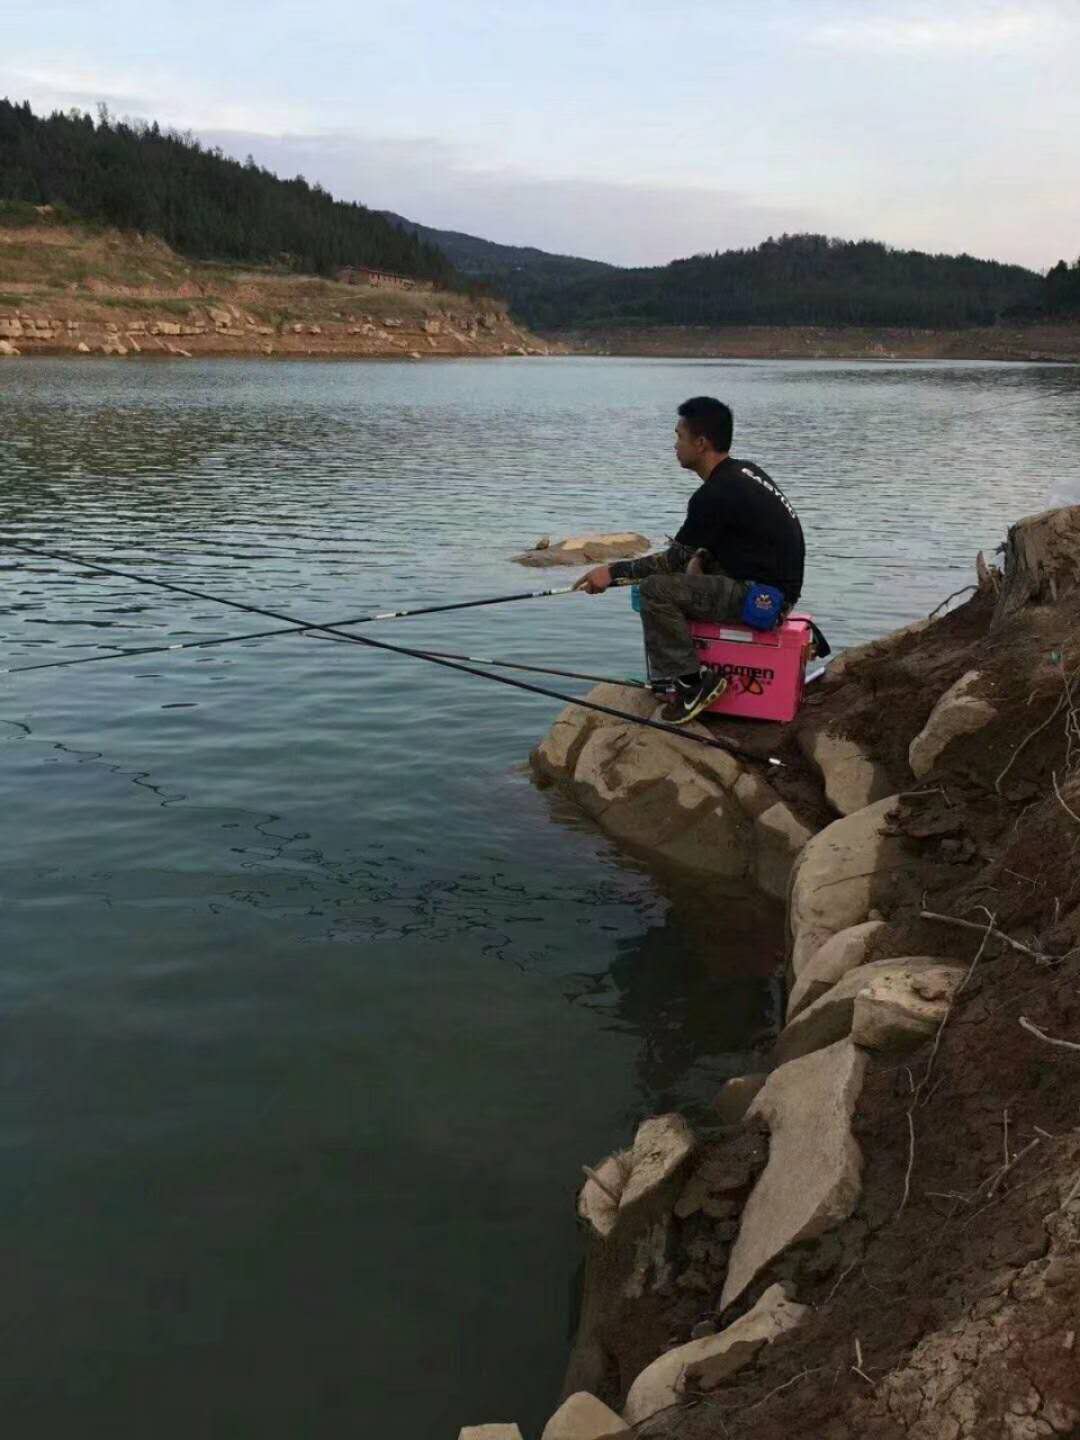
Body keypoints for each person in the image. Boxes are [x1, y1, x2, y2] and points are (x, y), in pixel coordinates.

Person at [574, 396, 805, 724]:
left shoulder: (714, 494)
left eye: (679, 437)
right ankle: (678, 674)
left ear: (701, 443)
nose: (674, 445)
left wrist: (611, 573)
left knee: (656, 590)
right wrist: (700, 557)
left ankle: (691, 683)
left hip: (763, 600)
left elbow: (669, 562)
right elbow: (733, 539)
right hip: (772, 589)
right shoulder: (744, 473)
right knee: (682, 573)